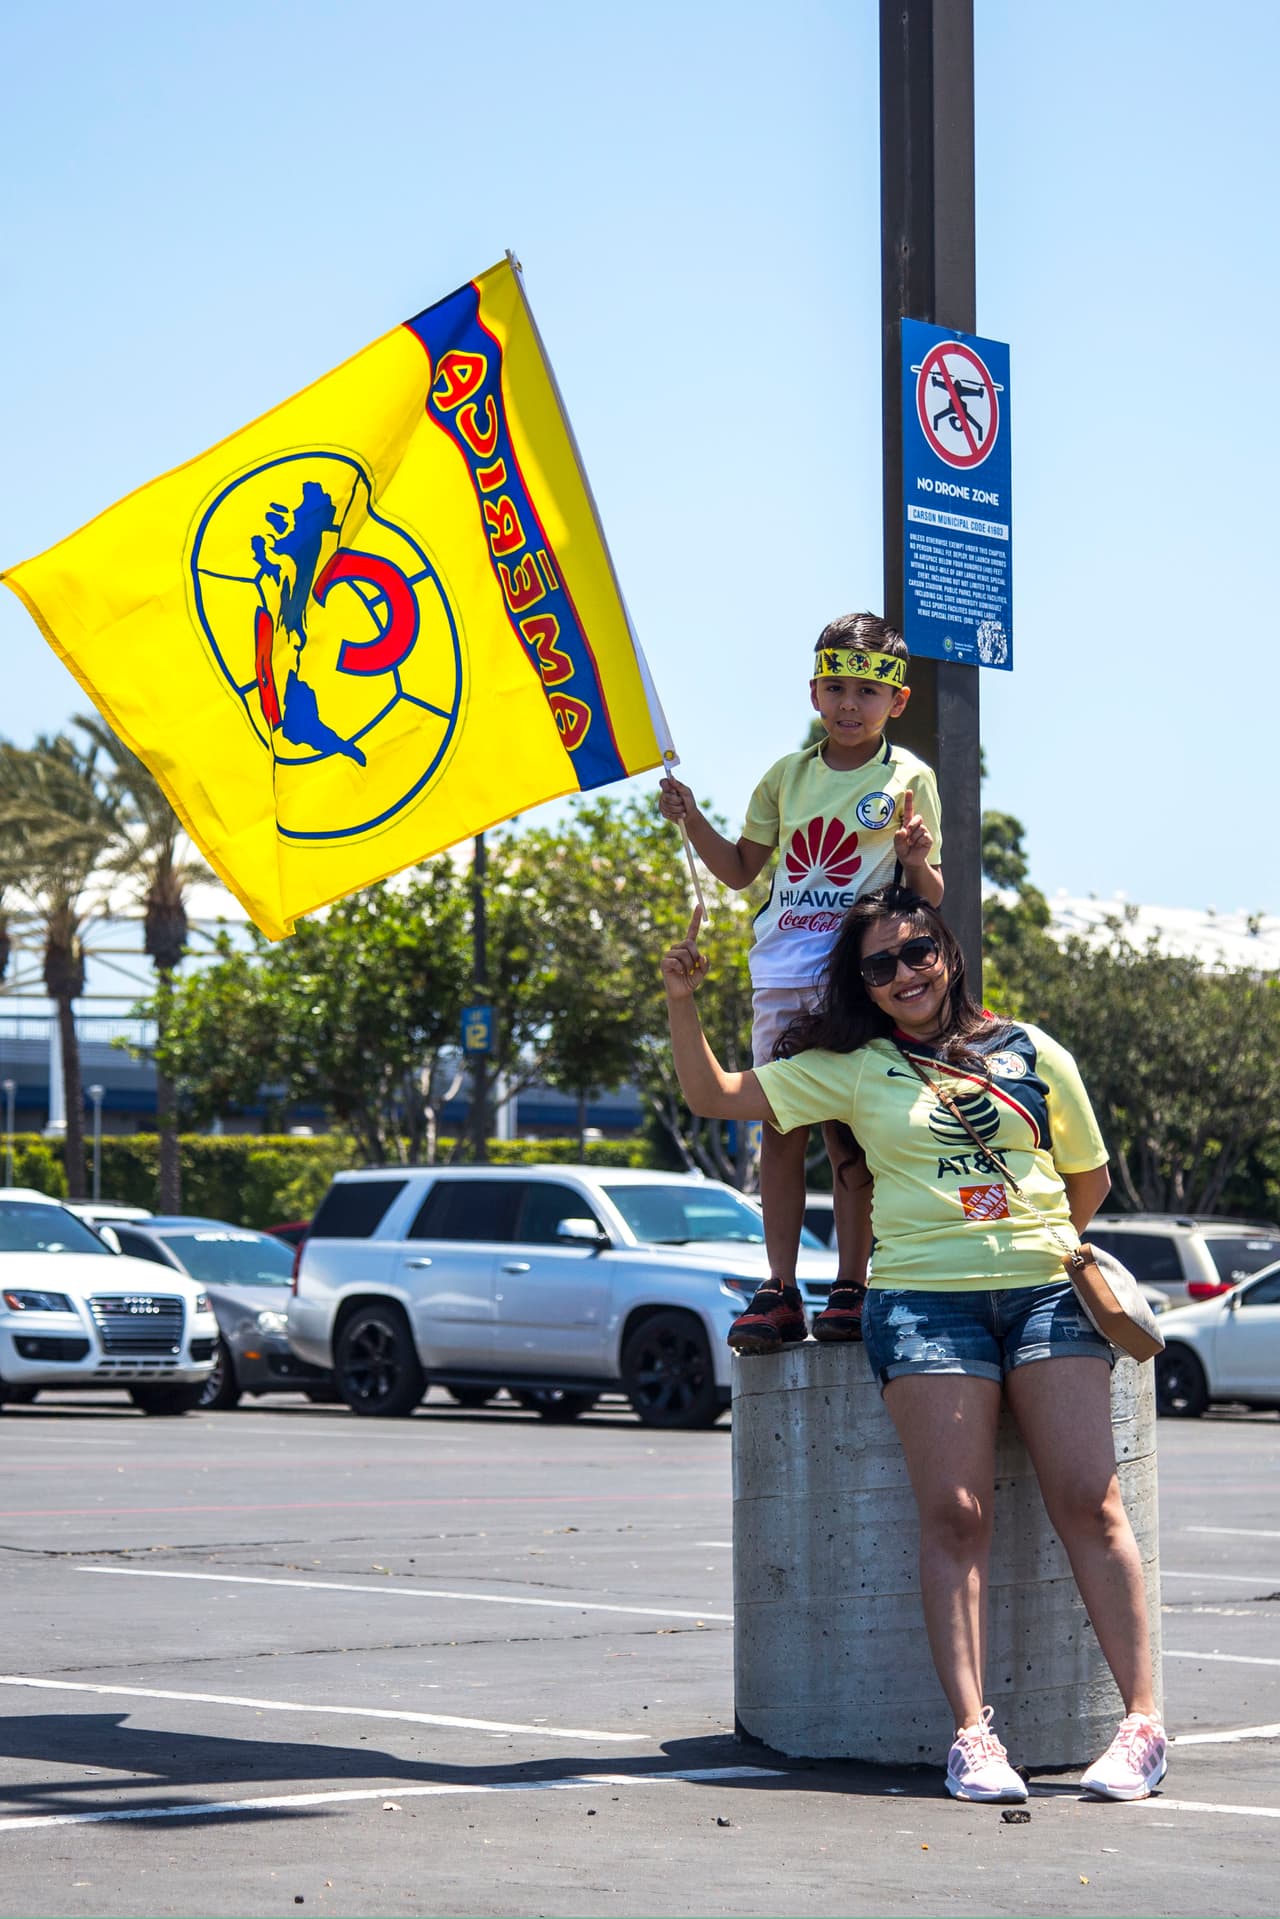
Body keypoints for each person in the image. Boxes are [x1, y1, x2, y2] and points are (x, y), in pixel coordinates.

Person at [659, 886, 1167, 1803]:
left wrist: (1019, 1239)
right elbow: (716, 1094)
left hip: (1048, 1292)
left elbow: (1084, 1179)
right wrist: (683, 998)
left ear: (949, 951)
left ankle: (1141, 1726)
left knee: (1091, 1502)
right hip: (924, 1302)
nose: (904, 973)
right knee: (957, 1514)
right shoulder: (853, 1068)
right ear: (864, 983)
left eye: (918, 950)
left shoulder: (1033, 1049)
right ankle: (973, 1737)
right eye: (880, 964)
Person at [658, 613, 943, 1355]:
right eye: (837, 687)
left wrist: (914, 858)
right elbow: (740, 870)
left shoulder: (909, 778)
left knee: (850, 1133)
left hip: (856, 979)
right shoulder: (785, 776)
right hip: (781, 972)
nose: (851, 704)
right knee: (777, 1130)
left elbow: (932, 895)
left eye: (867, 692)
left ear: (897, 701)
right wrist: (691, 819)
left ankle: (852, 1283)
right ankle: (780, 1286)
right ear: (815, 691)